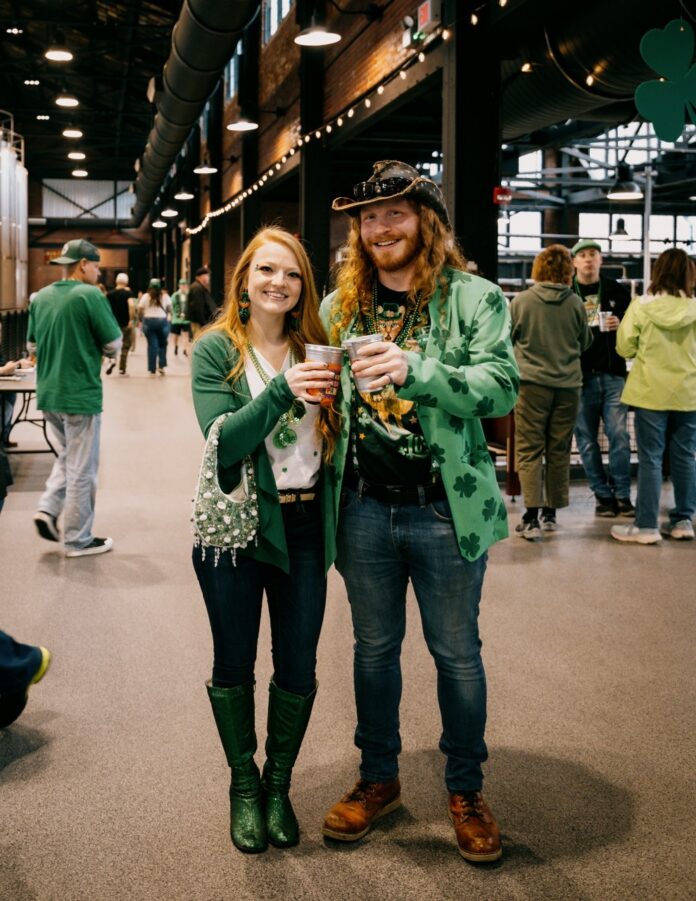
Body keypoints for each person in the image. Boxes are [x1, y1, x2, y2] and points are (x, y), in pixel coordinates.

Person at [320, 160, 519, 862]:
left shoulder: (475, 298)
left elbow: (500, 387)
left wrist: (417, 371)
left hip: (445, 509)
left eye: (395, 213)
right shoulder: (340, 307)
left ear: (426, 222)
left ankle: (466, 790)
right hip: (363, 509)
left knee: (457, 654)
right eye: (369, 218)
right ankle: (379, 777)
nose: (380, 228)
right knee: (373, 651)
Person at [191, 227, 339, 854]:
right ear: (244, 280)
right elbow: (224, 442)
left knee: (299, 665)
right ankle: (244, 786)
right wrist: (283, 388)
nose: (280, 283)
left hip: (305, 527)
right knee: (234, 662)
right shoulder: (216, 350)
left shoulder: (320, 348)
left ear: (305, 286)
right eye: (267, 271)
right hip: (238, 530)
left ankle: (278, 784)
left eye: (293, 273)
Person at [28, 239, 121, 558]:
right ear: (82, 264)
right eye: (96, 266)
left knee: (69, 456)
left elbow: (32, 347)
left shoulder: (40, 297)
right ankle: (78, 540)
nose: (98, 273)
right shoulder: (90, 295)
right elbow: (113, 344)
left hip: (48, 393)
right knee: (83, 468)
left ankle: (47, 508)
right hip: (80, 394)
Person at [611, 248, 696, 544]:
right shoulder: (695, 309)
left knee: (651, 459)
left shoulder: (641, 306)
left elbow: (624, 347)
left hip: (650, 393)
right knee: (685, 457)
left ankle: (646, 526)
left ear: (658, 272)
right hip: (689, 393)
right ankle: (683, 520)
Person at [510, 245, 592, 538]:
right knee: (559, 448)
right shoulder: (576, 303)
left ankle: (530, 516)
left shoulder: (521, 301)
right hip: (568, 386)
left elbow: (508, 339)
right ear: (568, 271)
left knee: (529, 448)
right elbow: (585, 341)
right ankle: (551, 513)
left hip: (531, 385)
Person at [571, 239, 633, 517]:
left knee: (619, 435)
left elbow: (634, 328)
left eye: (593, 254)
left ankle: (622, 494)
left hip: (613, 374)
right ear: (574, 262)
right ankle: (602, 495)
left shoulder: (616, 291)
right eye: (582, 255)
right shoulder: (567, 293)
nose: (588, 259)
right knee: (586, 440)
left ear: (600, 260)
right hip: (579, 377)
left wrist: (621, 323)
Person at [138, 279, 172, 375]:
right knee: (162, 344)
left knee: (152, 345)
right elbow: (170, 309)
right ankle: (161, 366)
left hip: (148, 322)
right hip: (162, 321)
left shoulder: (145, 296)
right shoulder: (165, 296)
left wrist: (140, 319)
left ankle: (152, 369)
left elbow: (140, 309)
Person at [106, 272, 136, 375]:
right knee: (126, 344)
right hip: (125, 323)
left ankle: (112, 360)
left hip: (112, 323)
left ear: (116, 281)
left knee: (112, 343)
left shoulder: (109, 294)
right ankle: (122, 368)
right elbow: (131, 306)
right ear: (126, 282)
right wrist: (131, 319)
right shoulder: (128, 294)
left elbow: (106, 308)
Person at [187, 265, 217, 339]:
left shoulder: (199, 287)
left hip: (200, 323)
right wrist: (204, 324)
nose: (208, 278)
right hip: (198, 324)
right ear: (201, 277)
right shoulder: (197, 288)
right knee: (198, 341)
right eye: (207, 276)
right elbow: (198, 308)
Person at [170, 278, 191, 356]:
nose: (184, 286)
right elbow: (171, 306)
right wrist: (173, 315)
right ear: (179, 286)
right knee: (176, 335)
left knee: (186, 335)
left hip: (186, 319)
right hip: (176, 319)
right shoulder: (175, 295)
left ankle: (185, 349)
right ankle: (176, 346)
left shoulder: (188, 295)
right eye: (182, 285)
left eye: (185, 285)